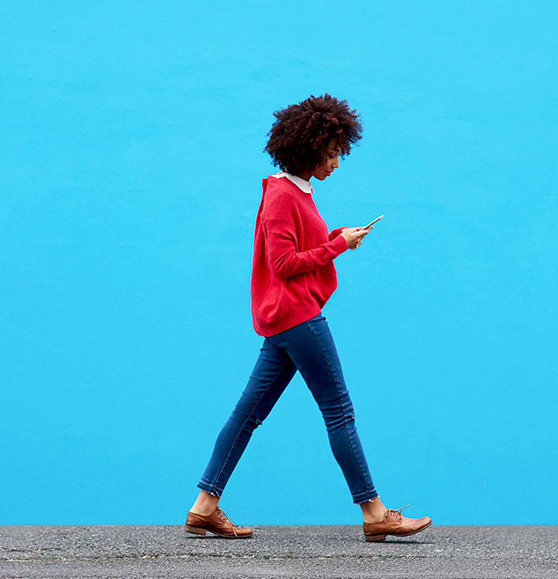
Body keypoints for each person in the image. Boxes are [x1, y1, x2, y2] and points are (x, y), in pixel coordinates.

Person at [184, 94, 431, 542]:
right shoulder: (281, 194)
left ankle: (204, 506)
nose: (337, 163)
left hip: (283, 321)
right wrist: (337, 246)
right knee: (338, 411)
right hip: (298, 318)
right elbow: (283, 264)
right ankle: (375, 514)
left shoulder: (294, 191)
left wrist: (338, 236)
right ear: (309, 147)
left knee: (247, 414)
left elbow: (299, 250)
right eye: (333, 152)